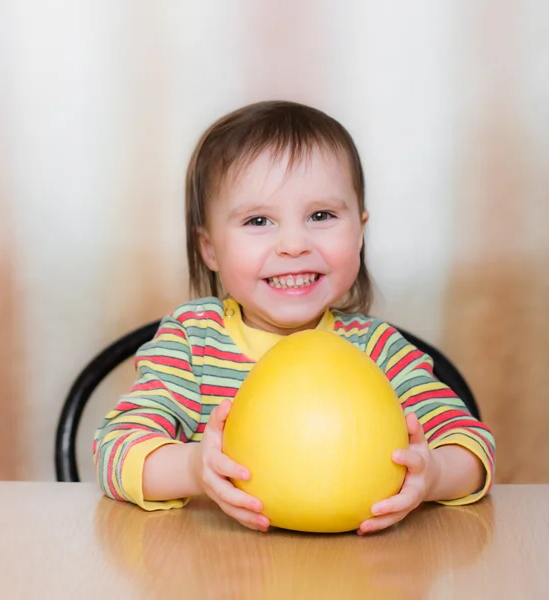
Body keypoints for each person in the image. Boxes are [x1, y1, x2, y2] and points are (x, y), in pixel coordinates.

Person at [94, 100, 495, 535]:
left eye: (321, 216)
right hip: (222, 568)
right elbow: (115, 450)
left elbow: (472, 448)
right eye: (259, 220)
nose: (293, 244)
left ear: (360, 232)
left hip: (364, 567)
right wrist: (193, 468)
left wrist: (433, 473)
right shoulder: (192, 344)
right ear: (209, 248)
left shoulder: (378, 350)